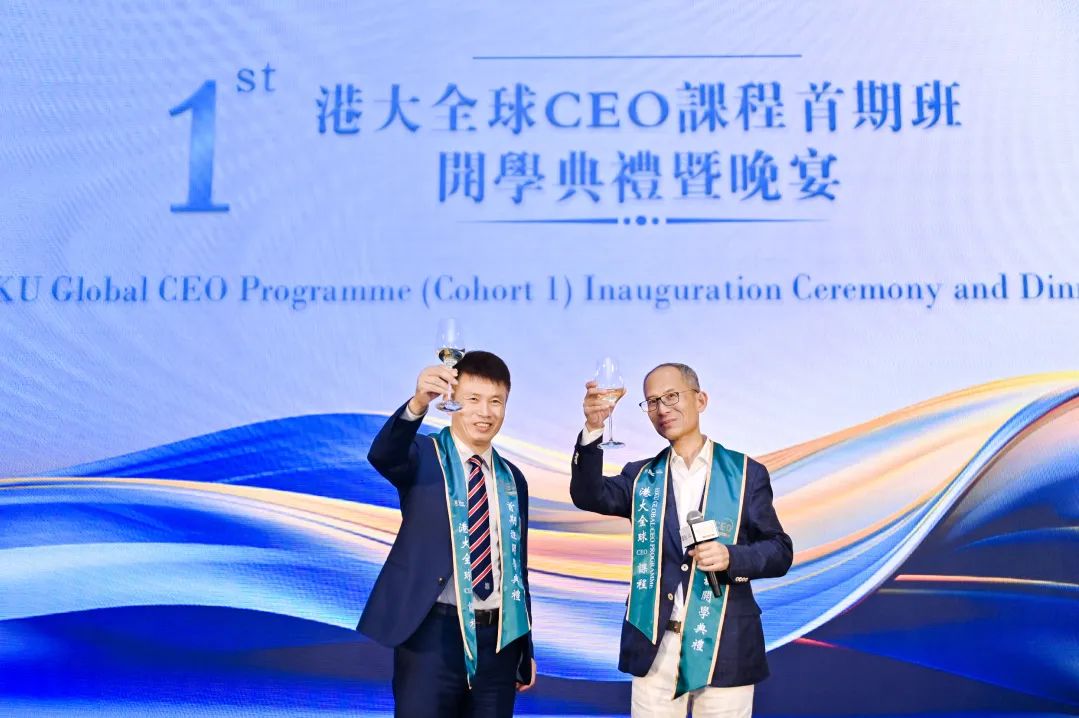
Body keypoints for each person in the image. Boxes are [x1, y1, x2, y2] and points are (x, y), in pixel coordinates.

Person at [570, 362, 792, 717]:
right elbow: (588, 494)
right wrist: (594, 428)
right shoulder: (641, 477)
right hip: (656, 647)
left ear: (700, 400)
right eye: (652, 402)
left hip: (725, 644)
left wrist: (731, 558)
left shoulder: (745, 473)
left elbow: (780, 551)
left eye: (672, 396)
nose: (662, 409)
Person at [360, 350, 536, 718]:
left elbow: (516, 569)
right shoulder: (424, 455)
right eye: (473, 399)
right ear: (453, 399)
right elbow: (384, 455)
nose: (485, 412)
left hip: (498, 642)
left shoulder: (512, 479)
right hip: (431, 635)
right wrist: (418, 403)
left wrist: (524, 648)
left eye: (496, 402)